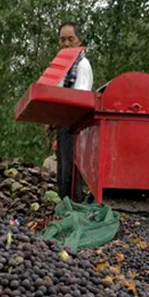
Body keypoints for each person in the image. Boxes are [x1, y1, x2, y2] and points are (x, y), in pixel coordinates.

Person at [55, 21, 93, 200]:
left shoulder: (82, 65)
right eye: (62, 40)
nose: (67, 44)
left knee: (71, 172)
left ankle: (74, 210)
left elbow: (80, 98)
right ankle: (65, 208)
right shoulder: (63, 68)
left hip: (74, 126)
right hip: (63, 124)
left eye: (71, 39)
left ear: (79, 40)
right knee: (62, 171)